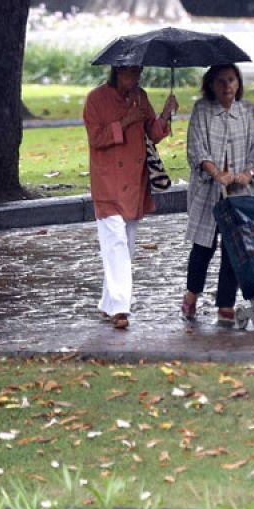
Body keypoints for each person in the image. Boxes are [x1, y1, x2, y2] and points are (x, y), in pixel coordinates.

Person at [83, 64, 177, 329]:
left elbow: (153, 133)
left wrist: (166, 114)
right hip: (108, 182)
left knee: (127, 245)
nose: (134, 77)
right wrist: (125, 122)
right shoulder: (96, 100)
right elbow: (96, 138)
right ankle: (121, 308)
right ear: (117, 71)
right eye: (129, 72)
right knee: (115, 243)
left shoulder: (140, 96)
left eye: (138, 72)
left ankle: (108, 302)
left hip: (135, 181)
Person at [181, 63, 254, 324]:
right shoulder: (202, 110)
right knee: (204, 246)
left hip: (239, 193)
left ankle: (225, 303)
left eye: (231, 80)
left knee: (233, 248)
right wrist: (216, 173)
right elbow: (196, 149)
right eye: (221, 81)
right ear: (210, 85)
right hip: (209, 192)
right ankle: (191, 294)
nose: (227, 86)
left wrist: (248, 173)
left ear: (238, 83)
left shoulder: (248, 111)